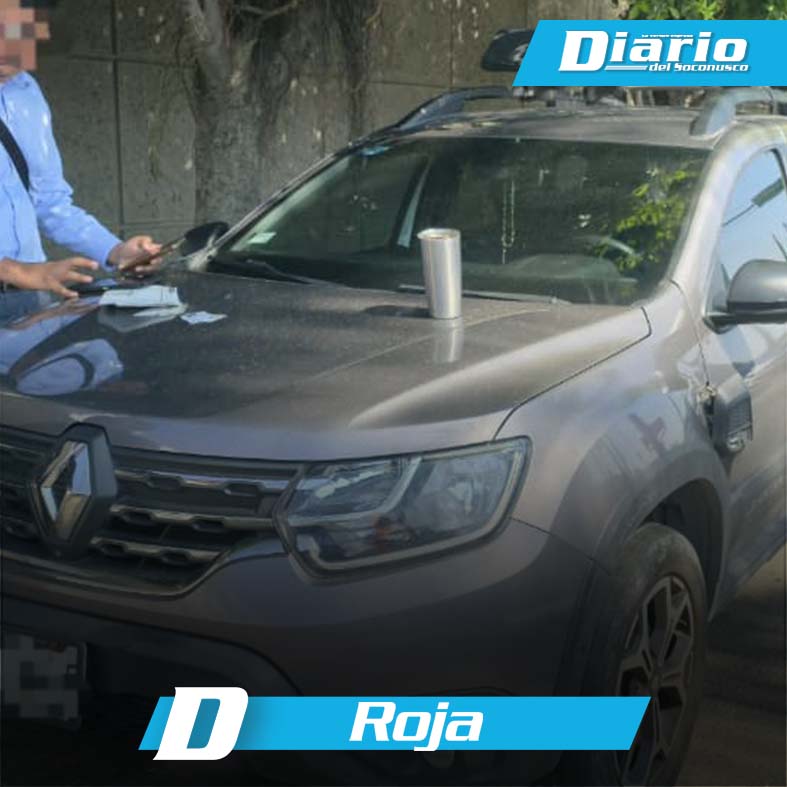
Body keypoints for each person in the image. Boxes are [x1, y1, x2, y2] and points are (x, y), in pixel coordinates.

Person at [0, 0, 160, 299]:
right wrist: (16, 272)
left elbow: (49, 201)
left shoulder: (27, 94)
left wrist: (115, 251)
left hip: (29, 299)